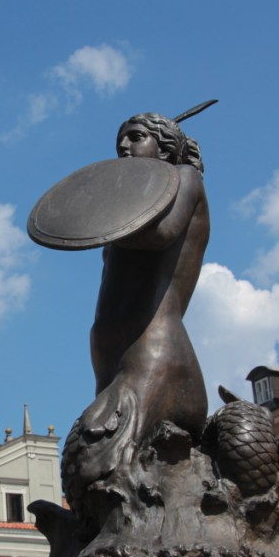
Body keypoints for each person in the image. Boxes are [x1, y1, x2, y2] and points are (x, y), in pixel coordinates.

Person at [73, 112, 209, 465]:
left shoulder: (184, 178)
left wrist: (105, 210)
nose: (123, 145)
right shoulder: (130, 199)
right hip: (107, 341)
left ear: (164, 149)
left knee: (100, 456)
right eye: (120, 139)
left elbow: (161, 235)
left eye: (135, 137)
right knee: (106, 460)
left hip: (151, 339)